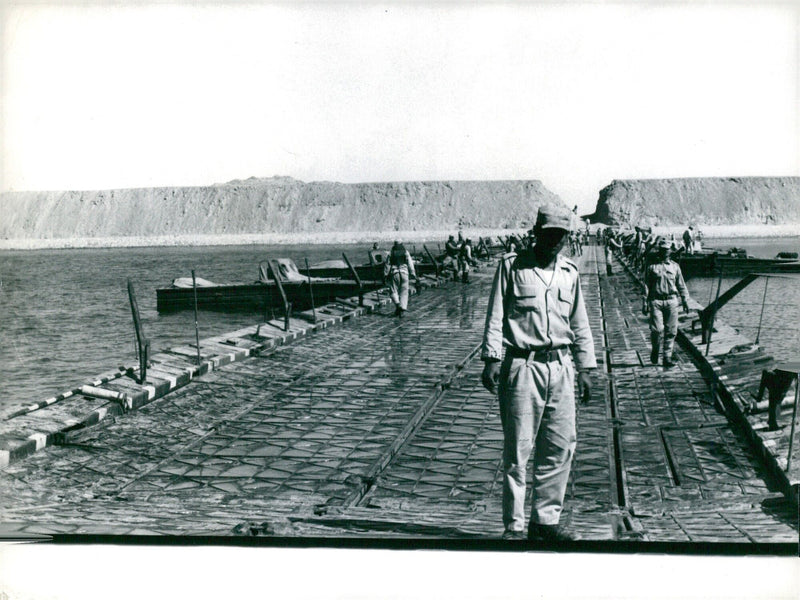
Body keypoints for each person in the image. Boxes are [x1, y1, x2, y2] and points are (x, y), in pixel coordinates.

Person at [481, 205, 596, 541]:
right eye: (549, 235)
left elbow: (580, 323)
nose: (555, 241)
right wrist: (491, 359)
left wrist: (587, 367)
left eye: (561, 235)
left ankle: (545, 522)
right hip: (522, 366)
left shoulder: (570, 273)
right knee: (518, 449)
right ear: (536, 233)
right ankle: (514, 526)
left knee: (561, 446)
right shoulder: (512, 268)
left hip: (561, 366)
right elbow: (495, 316)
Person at [643, 238, 691, 368]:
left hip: (671, 301)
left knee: (671, 331)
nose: (665, 252)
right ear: (660, 250)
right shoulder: (652, 266)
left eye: (667, 250)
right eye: (663, 249)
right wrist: (645, 301)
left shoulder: (675, 267)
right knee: (657, 330)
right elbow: (647, 284)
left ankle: (666, 357)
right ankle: (655, 349)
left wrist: (685, 300)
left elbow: (681, 285)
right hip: (656, 300)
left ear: (670, 251)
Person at [384, 240, 418, 318]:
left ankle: (397, 304)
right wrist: (413, 273)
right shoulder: (406, 252)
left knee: (393, 291)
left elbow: (387, 265)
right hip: (404, 273)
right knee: (404, 292)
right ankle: (402, 309)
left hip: (394, 273)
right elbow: (410, 263)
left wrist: (385, 274)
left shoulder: (391, 252)